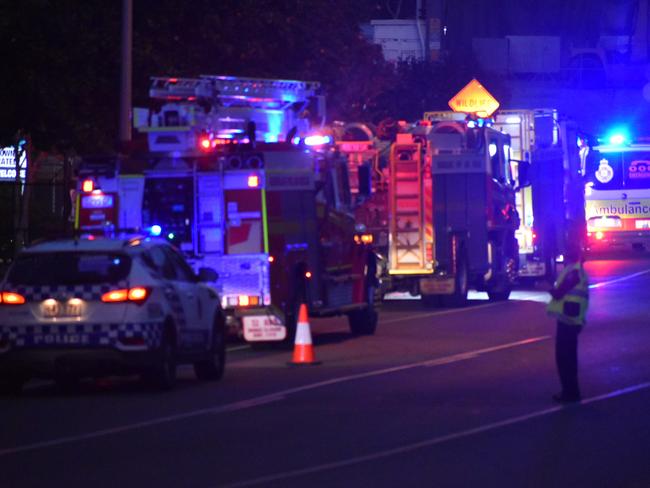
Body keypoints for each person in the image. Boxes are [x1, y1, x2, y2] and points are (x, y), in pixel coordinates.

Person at [546, 243, 589, 403]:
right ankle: (571, 391)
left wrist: (550, 287)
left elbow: (559, 292)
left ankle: (569, 393)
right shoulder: (578, 272)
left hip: (568, 320)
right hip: (573, 319)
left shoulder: (574, 272)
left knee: (565, 359)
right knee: (568, 358)